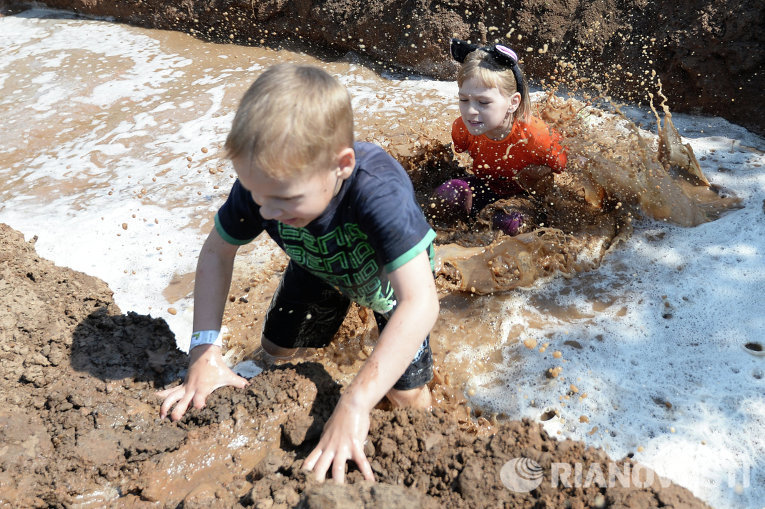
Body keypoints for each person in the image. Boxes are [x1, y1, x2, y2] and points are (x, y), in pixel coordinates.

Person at [156, 63, 439, 484]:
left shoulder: (378, 193)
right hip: (316, 266)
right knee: (272, 352)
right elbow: (217, 253)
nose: (266, 212)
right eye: (255, 195)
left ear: (340, 165)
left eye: (284, 199)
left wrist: (356, 403)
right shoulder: (267, 186)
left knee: (403, 394)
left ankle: (434, 445)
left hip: (386, 285)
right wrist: (204, 353)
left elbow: (421, 302)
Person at [432, 38, 568, 235]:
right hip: (486, 187)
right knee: (447, 196)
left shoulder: (536, 136)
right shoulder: (462, 128)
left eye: (483, 102)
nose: (470, 111)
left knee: (506, 223)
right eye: (463, 99)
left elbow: (563, 166)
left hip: (526, 197)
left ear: (513, 103)